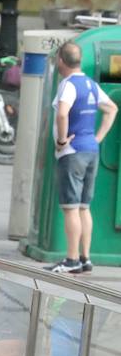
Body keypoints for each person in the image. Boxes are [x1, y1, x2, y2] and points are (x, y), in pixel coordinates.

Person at [47, 40, 117, 274]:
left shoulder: (68, 85)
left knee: (70, 207)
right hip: (91, 150)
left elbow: (63, 113)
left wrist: (61, 139)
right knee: (84, 207)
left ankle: (71, 259)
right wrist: (98, 137)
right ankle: (86, 257)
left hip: (73, 151)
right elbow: (112, 109)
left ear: (61, 61)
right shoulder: (90, 83)